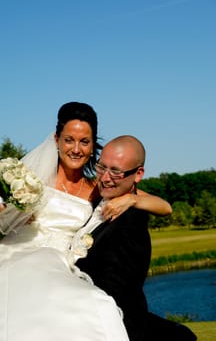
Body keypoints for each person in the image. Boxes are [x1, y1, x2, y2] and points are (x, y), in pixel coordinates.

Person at [0, 102, 171, 341]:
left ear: (93, 145)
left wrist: (133, 200)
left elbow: (165, 207)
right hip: (17, 258)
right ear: (56, 140)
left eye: (84, 142)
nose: (76, 149)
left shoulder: (99, 187)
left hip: (61, 268)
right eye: (69, 140)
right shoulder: (28, 180)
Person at [75, 135, 197, 341]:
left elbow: (116, 294)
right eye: (101, 167)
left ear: (138, 174)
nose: (105, 178)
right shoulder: (102, 196)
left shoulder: (130, 223)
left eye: (115, 171)